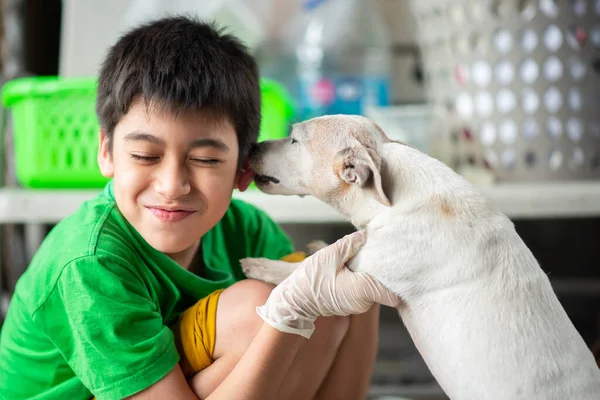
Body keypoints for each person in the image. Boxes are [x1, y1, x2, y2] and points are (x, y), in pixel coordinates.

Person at [0, 16, 399, 400]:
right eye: (144, 155)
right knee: (260, 309)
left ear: (244, 169)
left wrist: (350, 298)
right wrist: (287, 314)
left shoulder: (248, 232)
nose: (172, 186)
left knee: (339, 289)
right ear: (106, 153)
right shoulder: (88, 264)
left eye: (206, 160)